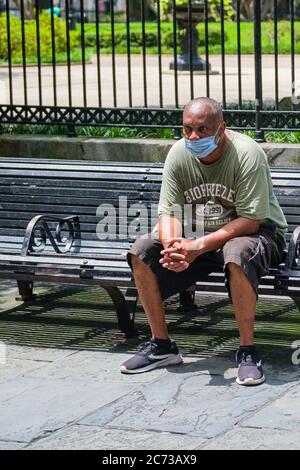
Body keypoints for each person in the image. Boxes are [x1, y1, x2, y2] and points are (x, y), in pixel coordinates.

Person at [121, 97, 288, 386]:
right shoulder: (178, 154)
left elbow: (250, 219)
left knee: (236, 252)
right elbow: (170, 212)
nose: (193, 137)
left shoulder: (246, 153)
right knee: (142, 250)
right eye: (187, 129)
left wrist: (197, 247)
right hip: (199, 234)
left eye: (202, 130)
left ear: (221, 128)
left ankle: (247, 351)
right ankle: (161, 346)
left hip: (257, 233)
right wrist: (175, 247)